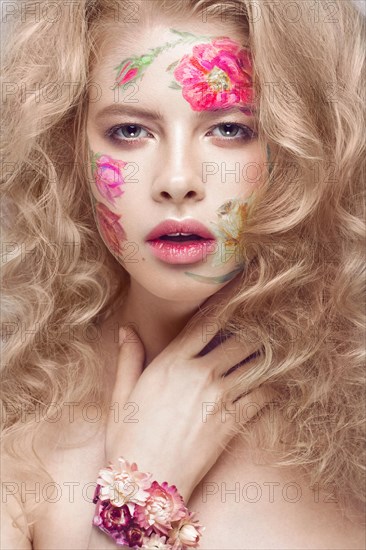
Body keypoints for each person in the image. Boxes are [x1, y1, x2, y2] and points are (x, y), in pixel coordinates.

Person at [1, 0, 365, 548]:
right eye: (129, 131)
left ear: (302, 148)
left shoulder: (353, 428)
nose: (177, 180)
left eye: (230, 129)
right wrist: (137, 495)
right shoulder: (18, 450)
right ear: (69, 149)